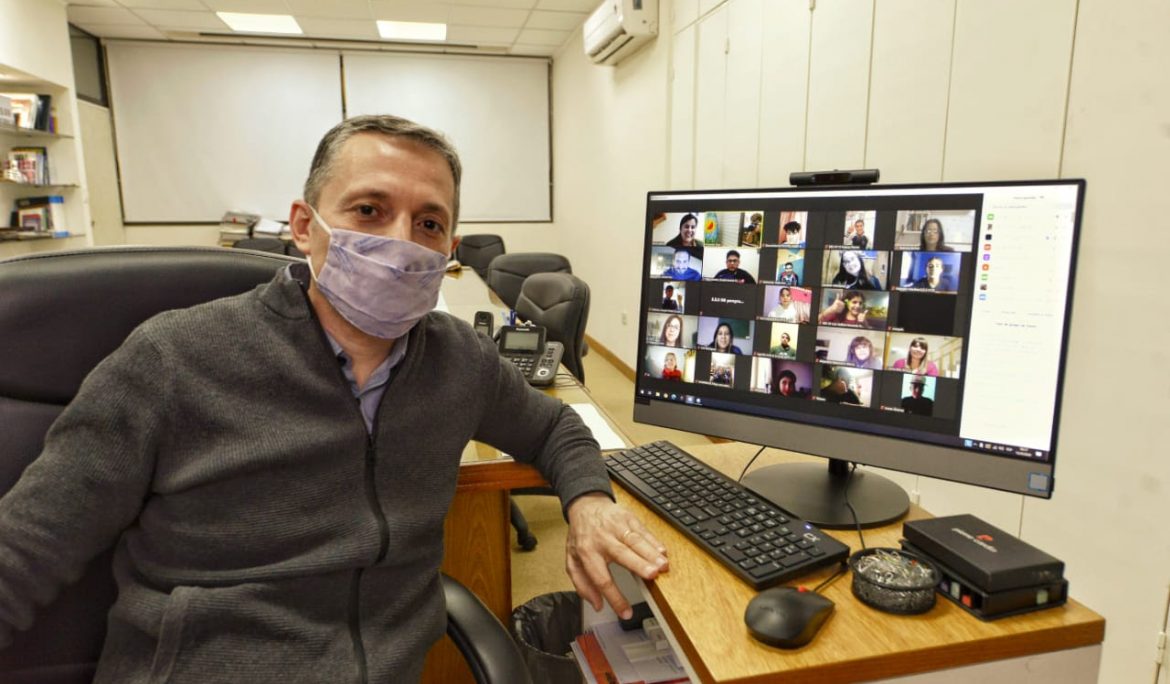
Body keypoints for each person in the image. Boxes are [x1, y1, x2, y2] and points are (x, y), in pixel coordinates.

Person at [0, 115, 669, 682]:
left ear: (450, 250)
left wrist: (587, 503)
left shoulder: (460, 361)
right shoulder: (174, 358)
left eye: (428, 222)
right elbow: (26, 549)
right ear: (304, 224)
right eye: (369, 211)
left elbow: (557, 428)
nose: (400, 241)